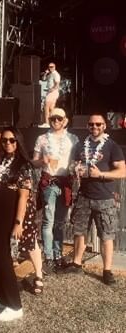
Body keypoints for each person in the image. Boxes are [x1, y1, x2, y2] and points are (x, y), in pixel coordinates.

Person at [0, 128, 42, 322]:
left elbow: (23, 197)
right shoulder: (0, 162)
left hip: (9, 217)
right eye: (5, 140)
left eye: (12, 140)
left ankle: (15, 305)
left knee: (3, 256)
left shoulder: (23, 166)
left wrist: (18, 223)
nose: (8, 143)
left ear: (18, 142)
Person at [67, 113, 125, 285]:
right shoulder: (80, 145)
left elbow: (122, 171)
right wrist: (75, 169)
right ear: (87, 126)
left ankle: (107, 271)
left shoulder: (112, 146)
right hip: (84, 196)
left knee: (106, 235)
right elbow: (72, 164)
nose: (95, 127)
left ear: (104, 126)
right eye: (91, 124)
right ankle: (76, 263)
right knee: (79, 231)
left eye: (98, 124)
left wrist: (101, 175)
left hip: (104, 197)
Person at [32, 108, 79, 273]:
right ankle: (49, 257)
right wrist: (42, 161)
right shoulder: (42, 138)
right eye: (53, 119)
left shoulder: (73, 139)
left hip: (65, 183)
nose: (56, 121)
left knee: (60, 222)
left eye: (59, 118)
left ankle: (58, 255)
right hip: (49, 182)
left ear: (65, 120)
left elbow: (77, 160)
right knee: (48, 221)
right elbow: (34, 161)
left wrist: (76, 168)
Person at [40, 62, 61, 127]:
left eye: (52, 67)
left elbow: (57, 84)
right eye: (49, 67)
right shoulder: (50, 74)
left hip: (53, 92)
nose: (50, 68)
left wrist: (52, 89)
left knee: (46, 106)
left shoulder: (56, 74)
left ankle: (47, 123)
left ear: (55, 67)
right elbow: (43, 79)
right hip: (51, 92)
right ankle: (53, 123)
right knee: (51, 108)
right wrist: (46, 73)